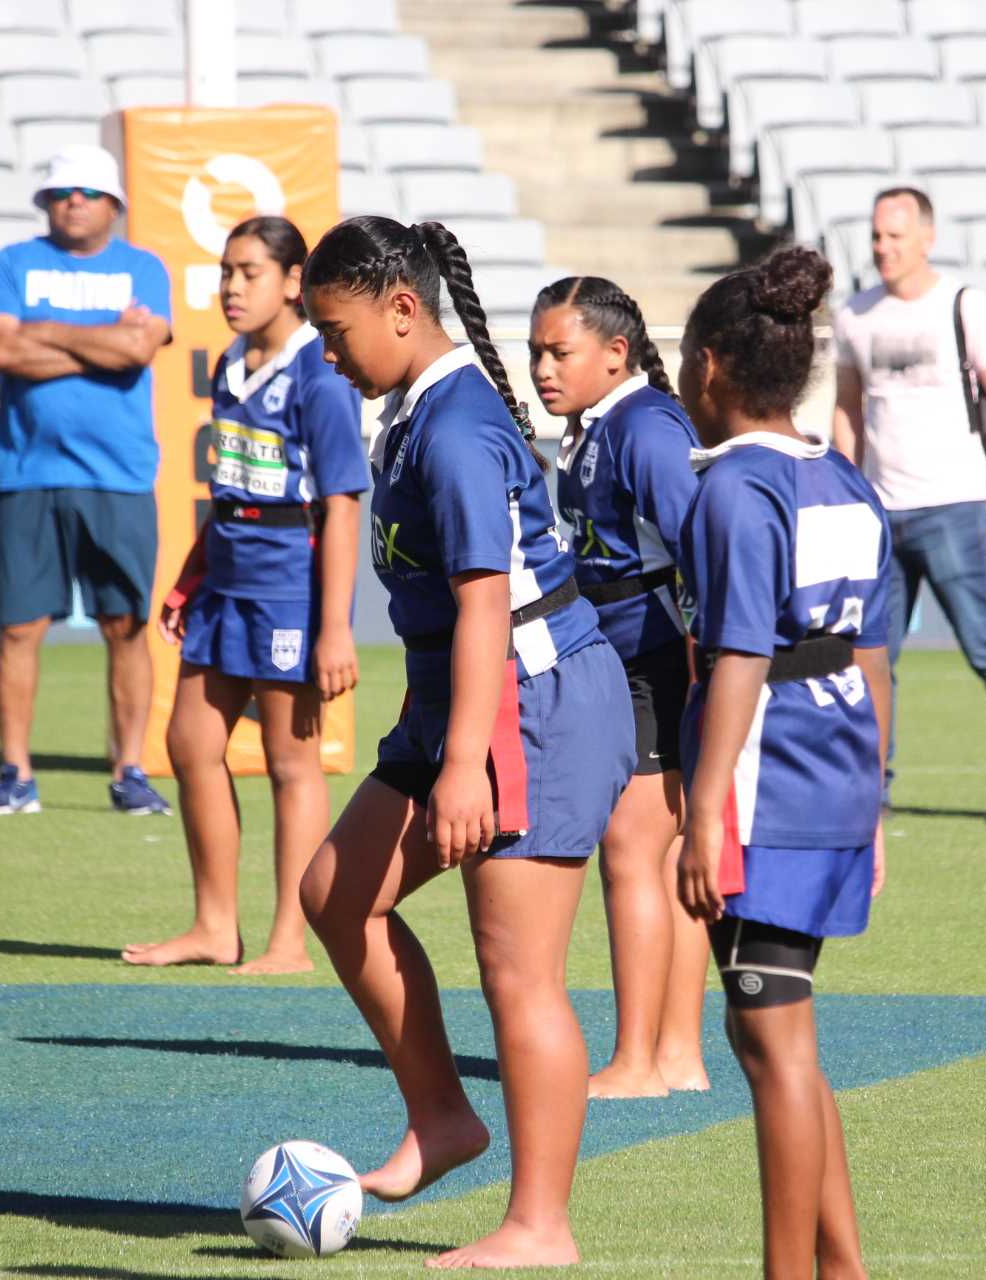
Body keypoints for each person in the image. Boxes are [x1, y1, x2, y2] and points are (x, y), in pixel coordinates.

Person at [294, 216, 634, 1269]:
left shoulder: (452, 428)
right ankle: (443, 1119)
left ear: (403, 309)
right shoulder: (411, 409)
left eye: (336, 330)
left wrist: (461, 767)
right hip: (457, 697)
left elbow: (488, 603)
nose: (327, 353)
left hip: (531, 705)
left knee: (518, 972)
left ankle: (541, 1225)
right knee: (335, 892)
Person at [674, 246, 891, 1280]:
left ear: (711, 365)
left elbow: (740, 656)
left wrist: (701, 810)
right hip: (836, 772)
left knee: (772, 1041)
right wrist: (877, 797)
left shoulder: (735, 487)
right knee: (780, 1034)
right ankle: (840, 1265)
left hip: (771, 784)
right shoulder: (844, 478)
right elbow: (873, 654)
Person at [122, 216, 367, 972]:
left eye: (249, 272)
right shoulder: (230, 363)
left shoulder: (320, 374)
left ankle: (289, 940)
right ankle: (213, 927)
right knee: (190, 743)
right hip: (224, 583)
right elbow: (231, 488)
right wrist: (190, 577)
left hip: (289, 590)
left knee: (292, 764)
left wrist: (335, 627)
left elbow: (343, 504)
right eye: (227, 271)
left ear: (293, 282)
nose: (231, 287)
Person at [529, 275, 710, 1100]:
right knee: (663, 857)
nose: (543, 368)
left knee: (633, 851)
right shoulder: (595, 427)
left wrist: (710, 671)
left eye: (558, 352)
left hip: (664, 663)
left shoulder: (645, 429)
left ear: (615, 352)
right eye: (535, 352)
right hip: (634, 662)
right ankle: (676, 1056)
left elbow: (704, 549)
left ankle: (641, 1061)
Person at [829, 186, 986, 822]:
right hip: (880, 514)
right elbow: (847, 408)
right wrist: (844, 490)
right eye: (877, 236)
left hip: (952, 508)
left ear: (927, 238)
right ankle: (870, 786)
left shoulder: (965, 305)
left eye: (896, 236)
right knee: (870, 657)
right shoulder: (854, 315)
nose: (883, 247)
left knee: (985, 647)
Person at [0, 145, 174, 817]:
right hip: (26, 472)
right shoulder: (12, 264)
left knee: (125, 626)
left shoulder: (144, 268)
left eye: (87, 192)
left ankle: (130, 770)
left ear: (114, 204)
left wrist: (45, 332)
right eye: (61, 192)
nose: (73, 201)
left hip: (119, 476)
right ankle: (15, 775)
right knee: (19, 628)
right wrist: (100, 341)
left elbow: (139, 348)